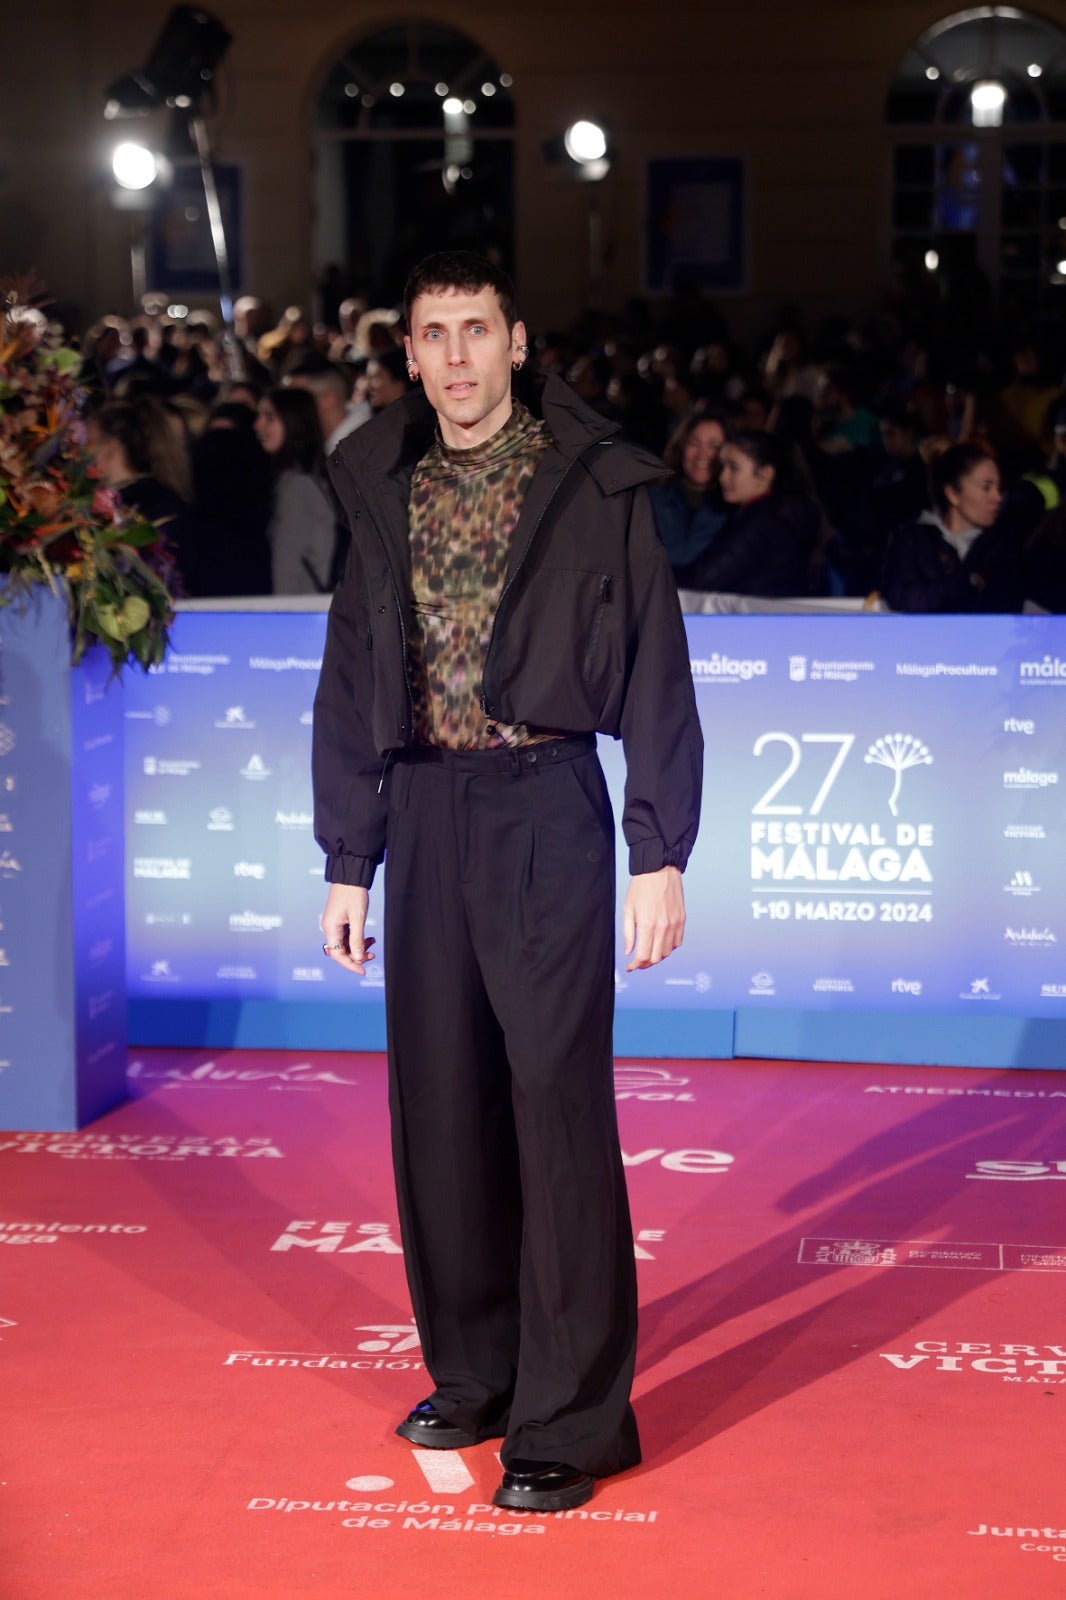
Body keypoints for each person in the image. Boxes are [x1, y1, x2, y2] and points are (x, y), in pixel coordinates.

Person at [312, 251, 701, 1515]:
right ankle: (476, 1371)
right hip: (421, 805)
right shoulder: (376, 480)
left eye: (478, 329)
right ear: (411, 357)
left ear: (517, 341)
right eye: (436, 335)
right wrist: (348, 855)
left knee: (554, 1107)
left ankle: (575, 1415)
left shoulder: (593, 480)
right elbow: (348, 674)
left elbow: (656, 664)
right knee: (442, 1105)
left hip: (546, 803)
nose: (460, 356)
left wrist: (659, 846)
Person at [674, 428, 818, 596]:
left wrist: (650, 574)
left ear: (765, 474)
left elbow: (703, 579)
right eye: (723, 467)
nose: (722, 476)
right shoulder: (772, 513)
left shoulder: (762, 522)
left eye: (733, 468)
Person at [881, 441, 1021, 612]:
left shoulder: (1003, 546)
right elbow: (906, 600)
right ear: (953, 494)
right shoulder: (911, 540)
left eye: (999, 488)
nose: (997, 497)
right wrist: (967, 582)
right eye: (986, 488)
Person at [254, 386, 336, 594]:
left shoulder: (297, 487)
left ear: (295, 423)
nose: (258, 425)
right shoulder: (305, 479)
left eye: (270, 417)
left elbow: (287, 566)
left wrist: (282, 616)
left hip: (298, 613)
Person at [649, 411, 729, 573]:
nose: (702, 454)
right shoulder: (653, 498)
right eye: (694, 443)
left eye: (714, 446)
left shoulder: (734, 508)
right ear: (682, 447)